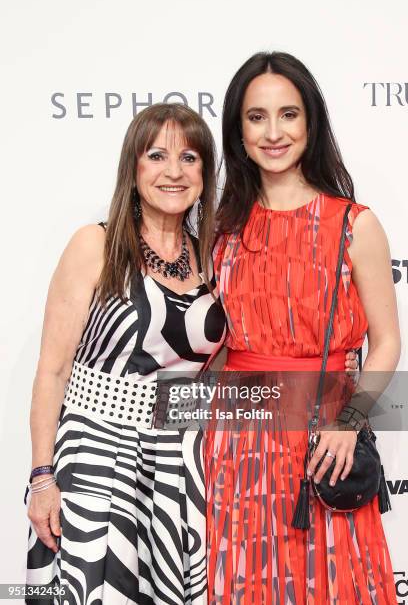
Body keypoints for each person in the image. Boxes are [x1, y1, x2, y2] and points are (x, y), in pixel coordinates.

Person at [205, 52, 400, 603]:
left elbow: (386, 341)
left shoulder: (354, 224)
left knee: (337, 584)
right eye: (256, 117)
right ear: (238, 131)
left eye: (288, 114)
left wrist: (350, 421)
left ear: (311, 124)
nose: (274, 132)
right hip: (238, 445)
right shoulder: (221, 231)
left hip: (325, 441)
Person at [25, 103, 226, 604]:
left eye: (190, 157)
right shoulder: (94, 245)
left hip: (180, 464)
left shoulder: (212, 259)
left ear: (205, 173)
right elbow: (52, 370)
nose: (174, 171)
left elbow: (216, 370)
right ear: (132, 168)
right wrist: (42, 477)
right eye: (156, 155)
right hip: (96, 452)